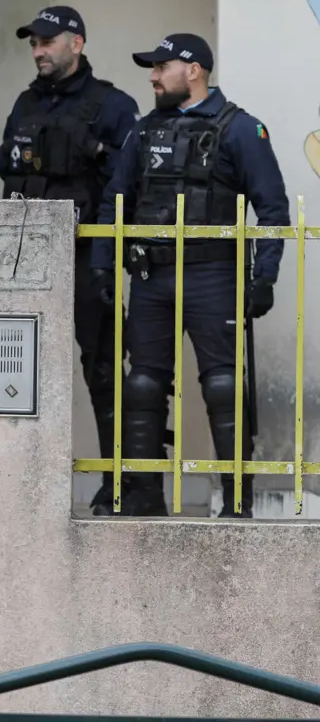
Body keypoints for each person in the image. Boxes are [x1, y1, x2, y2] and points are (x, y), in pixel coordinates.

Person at [92, 33, 290, 518]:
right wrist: (101, 262)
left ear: (194, 70)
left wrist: (264, 276)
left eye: (162, 67)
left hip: (213, 274)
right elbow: (114, 199)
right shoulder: (142, 132)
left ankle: (236, 499)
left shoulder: (240, 129)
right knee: (142, 384)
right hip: (151, 276)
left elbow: (273, 208)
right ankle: (143, 496)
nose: (153, 77)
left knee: (224, 386)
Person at [0, 6, 141, 515]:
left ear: (75, 44)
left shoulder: (113, 107)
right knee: (19, 373)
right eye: (33, 42)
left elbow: (126, 188)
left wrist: (106, 260)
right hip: (26, 260)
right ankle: (24, 489)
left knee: (103, 372)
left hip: (85, 258)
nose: (38, 50)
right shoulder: (24, 104)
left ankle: (120, 484)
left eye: (47, 41)